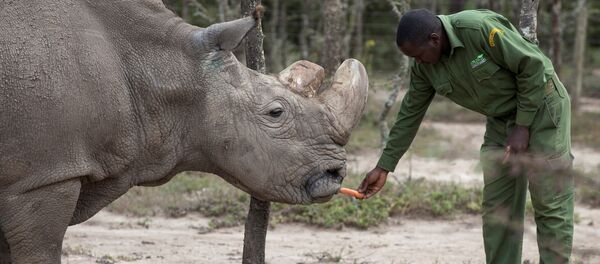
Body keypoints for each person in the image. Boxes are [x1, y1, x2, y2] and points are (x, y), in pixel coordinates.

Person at [357, 9, 574, 264]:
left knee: (550, 202)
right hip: (501, 119)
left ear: (435, 39)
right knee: (498, 208)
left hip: (542, 107)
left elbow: (533, 66)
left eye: (418, 55)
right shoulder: (425, 68)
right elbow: (409, 114)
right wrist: (384, 166)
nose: (419, 62)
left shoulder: (477, 28)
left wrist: (522, 126)